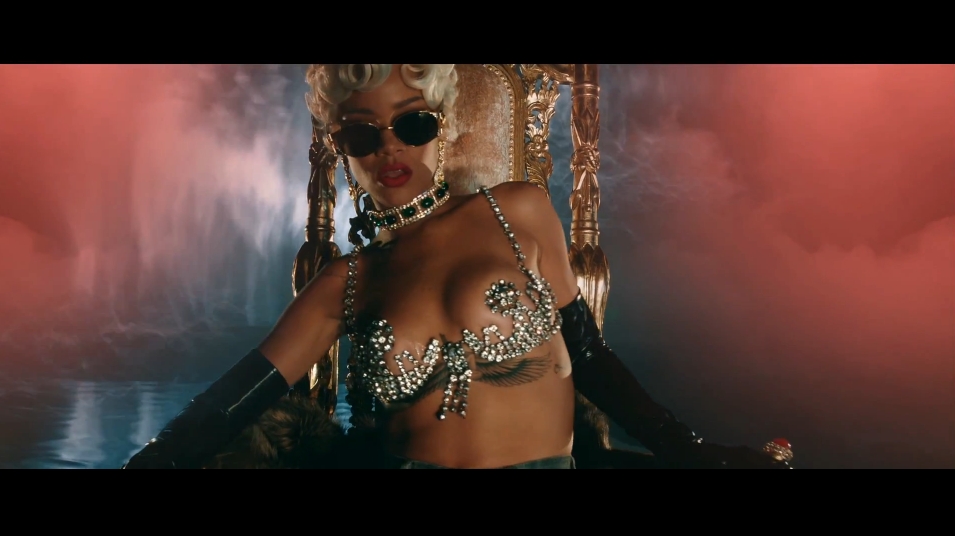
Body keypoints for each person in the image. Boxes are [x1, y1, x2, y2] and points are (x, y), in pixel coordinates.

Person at [123, 64, 790, 469]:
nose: (389, 148)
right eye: (362, 133)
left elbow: (588, 357)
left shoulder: (518, 210)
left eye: (411, 125)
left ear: (442, 127)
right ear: (341, 147)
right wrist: (152, 461)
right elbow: (229, 402)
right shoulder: (345, 283)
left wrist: (689, 451)